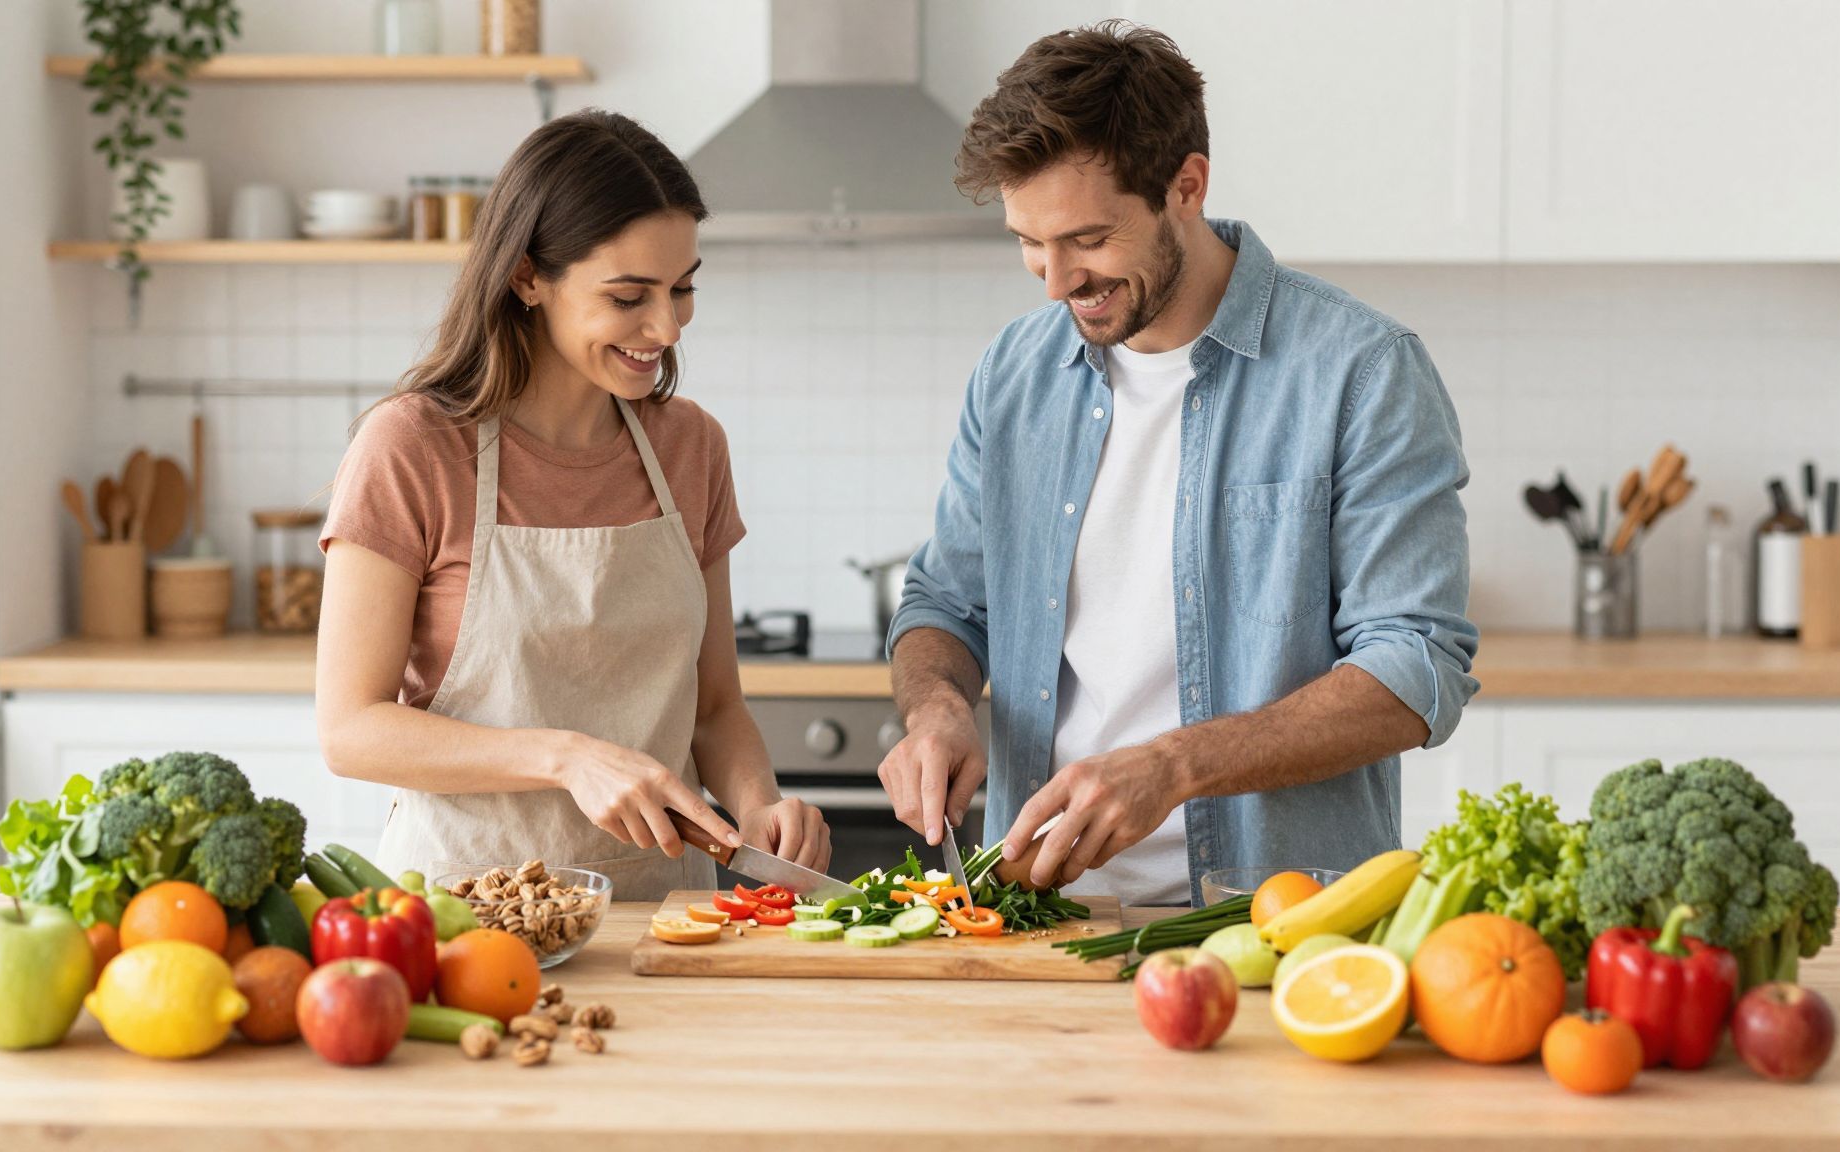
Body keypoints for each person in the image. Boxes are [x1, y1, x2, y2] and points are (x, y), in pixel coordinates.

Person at [877, 23, 1478, 904]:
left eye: (1086, 239)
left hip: (1265, 924)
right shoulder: (1015, 373)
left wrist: (1173, 766)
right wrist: (938, 707)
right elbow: (946, 604)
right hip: (1039, 921)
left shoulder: (1359, 371)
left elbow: (1416, 670)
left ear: (1185, 186)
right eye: (1027, 243)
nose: (1053, 282)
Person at [315, 110, 829, 900]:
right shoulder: (412, 447)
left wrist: (761, 806)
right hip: (466, 915)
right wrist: (567, 757)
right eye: (629, 297)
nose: (666, 326)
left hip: (663, 915)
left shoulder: (690, 448)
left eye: (683, 288)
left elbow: (717, 703)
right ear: (527, 277)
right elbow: (350, 730)